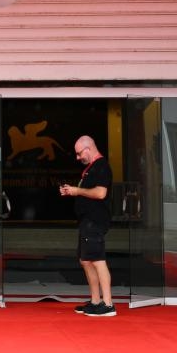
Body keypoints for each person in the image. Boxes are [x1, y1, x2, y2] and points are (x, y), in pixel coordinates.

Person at [59, 135, 115, 317]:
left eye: (79, 154)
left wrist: (77, 190)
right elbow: (89, 192)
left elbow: (100, 193)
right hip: (87, 221)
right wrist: (72, 191)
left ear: (88, 148)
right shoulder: (91, 168)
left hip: (95, 220)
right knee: (85, 260)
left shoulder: (102, 166)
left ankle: (107, 305)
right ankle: (95, 301)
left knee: (98, 260)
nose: (78, 158)